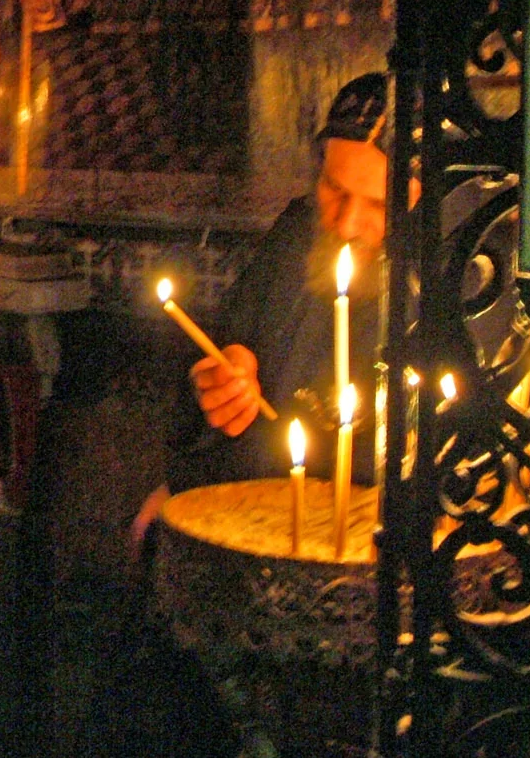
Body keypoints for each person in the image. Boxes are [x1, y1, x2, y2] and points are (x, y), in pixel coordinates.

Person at [131, 72, 415, 543]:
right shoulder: (296, 238)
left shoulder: (461, 281)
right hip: (257, 512)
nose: (345, 223)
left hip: (374, 544)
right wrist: (223, 382)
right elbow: (228, 357)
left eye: (378, 205)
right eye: (334, 189)